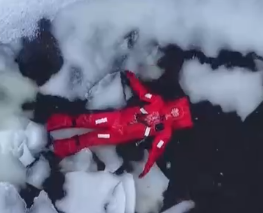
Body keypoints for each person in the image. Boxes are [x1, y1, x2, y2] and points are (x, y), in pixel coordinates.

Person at [45, 71, 193, 177]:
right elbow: (143, 93)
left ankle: (59, 148)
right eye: (175, 110)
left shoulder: (165, 132)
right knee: (87, 120)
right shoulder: (157, 102)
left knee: (90, 139)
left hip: (118, 134)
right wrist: (132, 79)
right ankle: (54, 122)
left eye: (176, 114)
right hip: (115, 118)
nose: (171, 113)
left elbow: (156, 149)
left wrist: (147, 167)